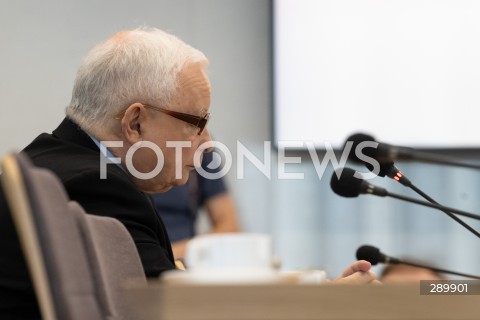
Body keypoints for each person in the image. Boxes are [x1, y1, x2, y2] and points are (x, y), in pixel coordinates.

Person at [0, 27, 378, 318]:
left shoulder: (55, 161)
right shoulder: (96, 188)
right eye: (198, 122)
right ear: (135, 124)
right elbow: (180, 311)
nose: (208, 142)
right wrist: (327, 306)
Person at [152, 151, 239, 260]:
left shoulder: (202, 150)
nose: (208, 141)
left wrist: (172, 254)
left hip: (182, 262)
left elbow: (228, 225)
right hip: (133, 260)